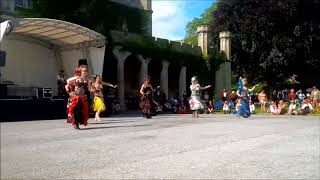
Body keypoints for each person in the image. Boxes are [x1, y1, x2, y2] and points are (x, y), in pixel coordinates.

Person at [66, 65, 91, 129]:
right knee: (75, 110)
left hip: (83, 98)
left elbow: (89, 89)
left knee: (81, 111)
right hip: (76, 97)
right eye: (84, 70)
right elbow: (68, 81)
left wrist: (93, 89)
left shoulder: (87, 80)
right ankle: (75, 124)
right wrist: (76, 77)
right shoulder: (77, 78)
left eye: (86, 70)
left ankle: (78, 123)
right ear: (81, 71)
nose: (85, 72)